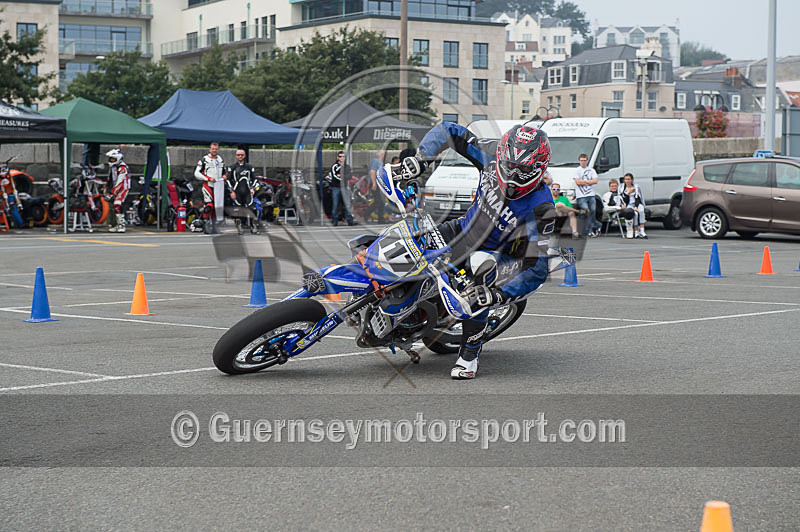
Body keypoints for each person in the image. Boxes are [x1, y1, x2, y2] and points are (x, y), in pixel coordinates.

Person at [402, 122, 560, 379]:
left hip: (500, 253)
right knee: (410, 242)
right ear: (501, 155)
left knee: (479, 281)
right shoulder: (488, 153)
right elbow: (449, 130)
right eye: (509, 165)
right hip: (465, 229)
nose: (513, 173)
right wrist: (421, 158)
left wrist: (496, 295)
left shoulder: (542, 208)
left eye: (523, 169)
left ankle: (469, 355)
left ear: (539, 168)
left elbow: (536, 267)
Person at [194, 142, 227, 234]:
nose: (214, 150)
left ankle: (214, 226)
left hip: (219, 186)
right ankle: (205, 225)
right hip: (208, 185)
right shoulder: (204, 159)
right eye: (213, 149)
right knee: (209, 206)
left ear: (218, 150)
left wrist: (225, 176)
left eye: (216, 149)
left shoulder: (220, 159)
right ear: (210, 149)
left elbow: (225, 171)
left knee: (217, 207)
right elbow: (196, 173)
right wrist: (208, 178)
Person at [227, 149, 259, 235]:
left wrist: (253, 188)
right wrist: (231, 191)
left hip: (248, 191)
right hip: (237, 192)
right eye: (238, 155)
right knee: (238, 209)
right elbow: (228, 180)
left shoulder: (249, 167)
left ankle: (254, 227)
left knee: (252, 208)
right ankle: (239, 227)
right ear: (236, 156)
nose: (240, 156)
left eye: (242, 155)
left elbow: (255, 179)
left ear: (244, 156)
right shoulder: (232, 167)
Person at [572, 153, 600, 237]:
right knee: (586, 210)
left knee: (593, 210)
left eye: (584, 160)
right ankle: (592, 228)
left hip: (591, 194)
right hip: (581, 195)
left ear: (587, 161)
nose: (583, 162)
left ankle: (594, 226)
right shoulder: (577, 170)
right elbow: (577, 182)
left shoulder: (591, 170)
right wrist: (588, 181)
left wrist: (583, 182)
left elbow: (595, 181)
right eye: (581, 161)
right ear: (579, 161)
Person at [329, 151, 357, 226]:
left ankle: (349, 220)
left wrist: (341, 176)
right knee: (335, 205)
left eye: (343, 156)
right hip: (336, 187)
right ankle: (334, 221)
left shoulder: (347, 166)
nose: (342, 158)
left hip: (344, 187)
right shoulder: (334, 166)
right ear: (338, 157)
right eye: (340, 156)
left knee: (347, 204)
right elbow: (334, 177)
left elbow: (349, 176)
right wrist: (343, 178)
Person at [105, 148, 130, 233]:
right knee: (114, 206)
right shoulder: (113, 167)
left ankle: (121, 225)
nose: (110, 160)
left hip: (123, 188)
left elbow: (120, 182)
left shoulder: (122, 168)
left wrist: (111, 193)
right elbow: (109, 179)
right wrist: (106, 188)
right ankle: (116, 224)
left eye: (112, 159)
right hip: (116, 188)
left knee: (117, 204)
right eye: (110, 159)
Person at [619, 173, 647, 238]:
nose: (627, 181)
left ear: (632, 180)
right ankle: (636, 231)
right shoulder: (622, 188)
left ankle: (642, 231)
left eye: (629, 179)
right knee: (635, 214)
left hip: (637, 203)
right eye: (626, 179)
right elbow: (623, 200)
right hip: (628, 204)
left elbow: (637, 198)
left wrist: (636, 207)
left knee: (641, 211)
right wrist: (628, 193)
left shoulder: (636, 187)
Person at [364, 149, 387, 223]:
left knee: (381, 202)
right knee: (378, 201)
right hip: (376, 183)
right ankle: (366, 214)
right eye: (382, 154)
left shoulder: (380, 162)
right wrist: (374, 183)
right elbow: (372, 171)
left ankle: (381, 218)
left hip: (380, 184)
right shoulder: (375, 161)